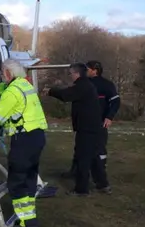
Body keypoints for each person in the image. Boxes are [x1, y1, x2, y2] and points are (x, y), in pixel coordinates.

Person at [0, 59, 48, 227]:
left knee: (17, 181)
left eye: (3, 73)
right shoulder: (25, 86)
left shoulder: (12, 91)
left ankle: (27, 222)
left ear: (8, 74)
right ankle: (29, 218)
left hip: (24, 139)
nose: (2, 77)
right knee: (29, 178)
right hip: (37, 137)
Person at [43, 63, 111, 196]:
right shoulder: (85, 85)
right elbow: (69, 92)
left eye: (71, 73)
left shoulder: (83, 86)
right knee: (94, 157)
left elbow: (66, 95)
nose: (70, 76)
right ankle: (103, 185)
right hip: (92, 128)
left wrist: (51, 91)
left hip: (87, 129)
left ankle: (81, 190)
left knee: (83, 158)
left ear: (77, 73)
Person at [64, 60, 121, 180]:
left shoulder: (106, 84)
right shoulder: (83, 84)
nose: (85, 71)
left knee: (99, 148)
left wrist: (109, 117)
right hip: (83, 123)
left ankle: (100, 174)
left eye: (87, 69)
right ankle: (75, 171)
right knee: (79, 148)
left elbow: (115, 101)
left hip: (100, 122)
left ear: (95, 70)